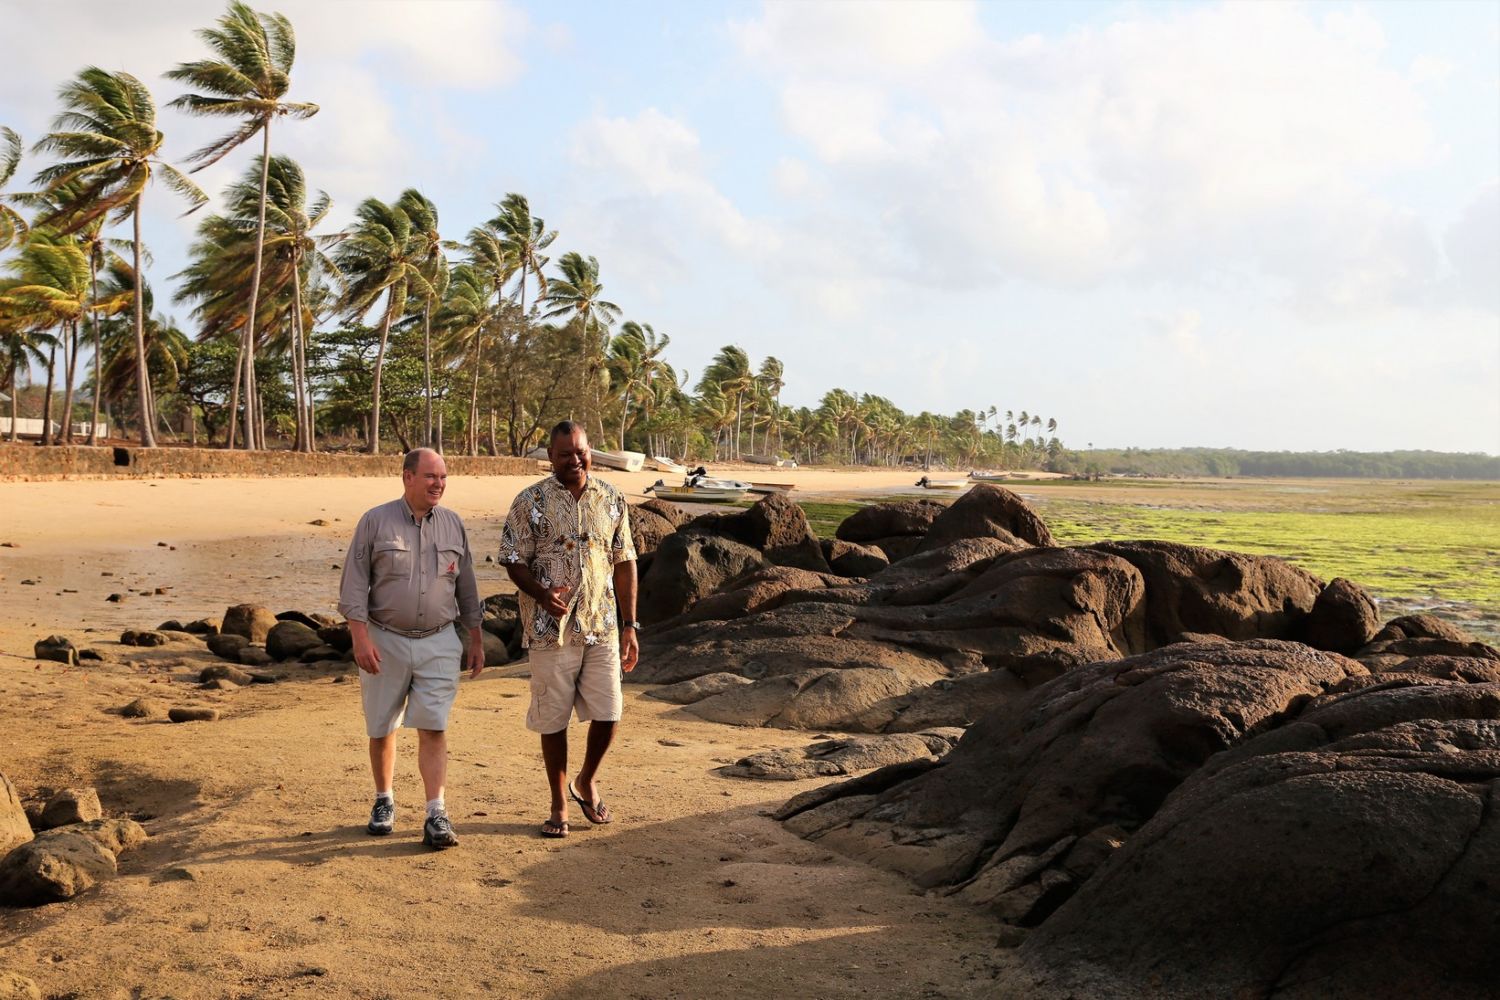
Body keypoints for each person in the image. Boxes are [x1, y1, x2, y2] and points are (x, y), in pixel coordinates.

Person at [338, 447, 484, 849]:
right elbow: (353, 584)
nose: (438, 484)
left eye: (443, 477)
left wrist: (475, 638)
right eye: (431, 476)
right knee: (382, 725)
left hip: (440, 640)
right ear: (407, 477)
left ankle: (436, 811)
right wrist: (360, 637)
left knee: (434, 725)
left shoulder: (453, 524)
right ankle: (384, 800)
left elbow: (467, 585)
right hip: (385, 640)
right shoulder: (375, 521)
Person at [499, 420, 639, 838]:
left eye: (581, 452)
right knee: (552, 720)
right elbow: (512, 558)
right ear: (550, 457)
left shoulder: (611, 498)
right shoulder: (530, 500)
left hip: (603, 623)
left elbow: (626, 561)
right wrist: (541, 594)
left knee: (610, 711)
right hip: (549, 629)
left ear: (590, 450)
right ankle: (559, 802)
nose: (576, 460)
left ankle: (586, 780)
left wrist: (631, 625)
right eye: (566, 455)